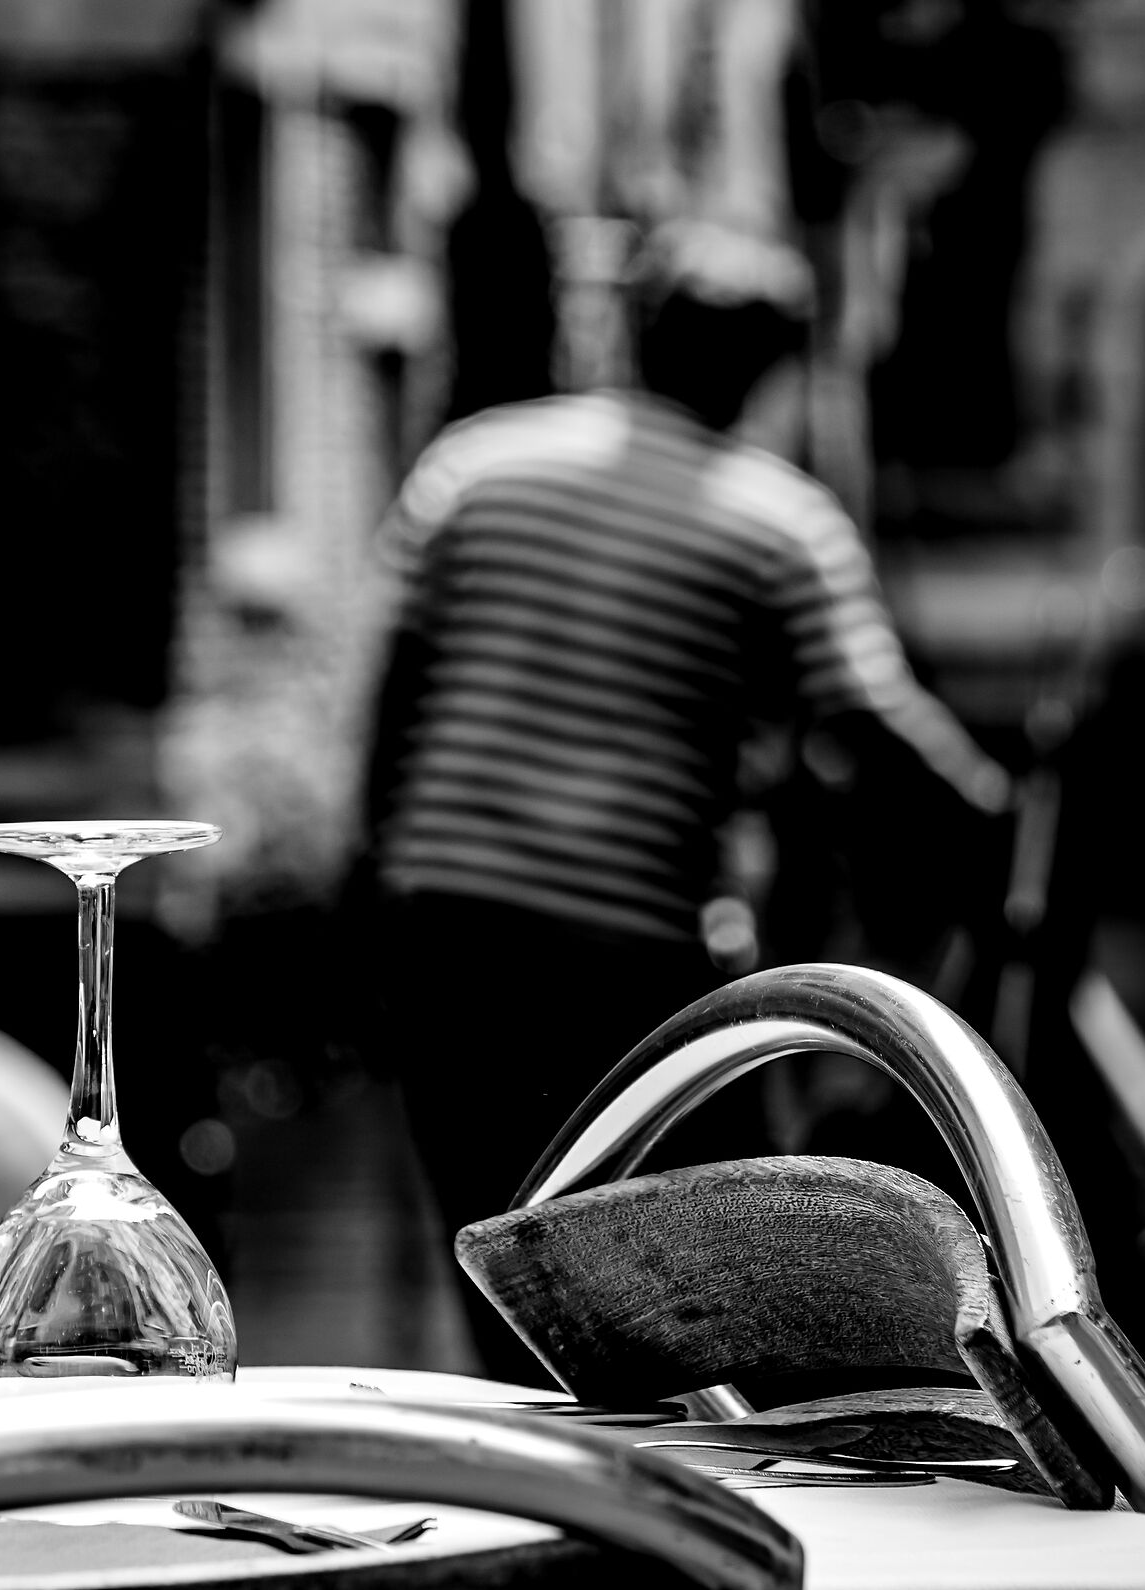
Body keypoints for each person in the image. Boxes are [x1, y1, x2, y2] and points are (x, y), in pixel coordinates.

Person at [360, 222, 1009, 1383]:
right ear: (763, 370)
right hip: (623, 941)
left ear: (635, 330)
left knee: (487, 1232)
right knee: (711, 1244)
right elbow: (873, 724)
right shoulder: (778, 523)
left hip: (441, 916)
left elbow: (393, 700)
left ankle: (532, 1484)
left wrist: (366, 882)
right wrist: (996, 807)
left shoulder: (473, 464)